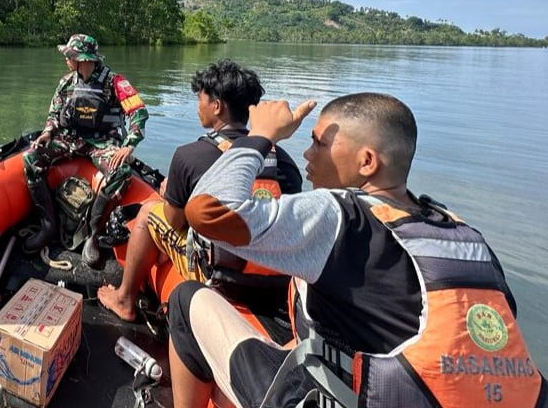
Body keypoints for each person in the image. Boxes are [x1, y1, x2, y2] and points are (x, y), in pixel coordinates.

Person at [168, 93, 546, 408]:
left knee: (186, 299)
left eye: (318, 143)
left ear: (366, 162)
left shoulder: (340, 212)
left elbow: (208, 210)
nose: (306, 155)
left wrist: (262, 134)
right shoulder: (464, 233)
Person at [97, 60, 302, 324]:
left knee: (149, 213)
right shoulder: (284, 160)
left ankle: (124, 299)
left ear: (216, 106)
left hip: (223, 276)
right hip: (272, 278)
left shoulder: (190, 156)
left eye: (200, 98)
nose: (198, 106)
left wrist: (169, 190)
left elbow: (173, 221)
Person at [22, 33, 149, 268]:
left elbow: (138, 112)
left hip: (101, 143)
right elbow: (53, 115)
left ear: (82, 58)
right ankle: (48, 226)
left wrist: (129, 144)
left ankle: (92, 234)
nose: (66, 60)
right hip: (70, 139)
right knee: (31, 158)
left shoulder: (115, 82)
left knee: (121, 172)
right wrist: (48, 132)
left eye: (69, 55)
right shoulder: (67, 82)